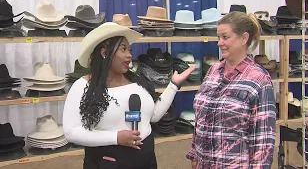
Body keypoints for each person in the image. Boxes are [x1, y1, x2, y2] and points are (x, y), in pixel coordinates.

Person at [63, 22, 195, 169]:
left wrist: (174, 85)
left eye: (130, 50)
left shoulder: (137, 82)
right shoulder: (83, 86)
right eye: (123, 49)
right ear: (104, 52)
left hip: (145, 157)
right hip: (107, 160)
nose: (129, 55)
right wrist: (116, 138)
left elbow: (153, 116)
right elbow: (71, 132)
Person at [186, 11, 277, 168]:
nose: (219, 43)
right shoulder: (213, 71)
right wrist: (194, 155)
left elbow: (263, 141)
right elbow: (200, 120)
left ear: (244, 38)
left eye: (225, 37)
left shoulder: (259, 80)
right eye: (218, 37)